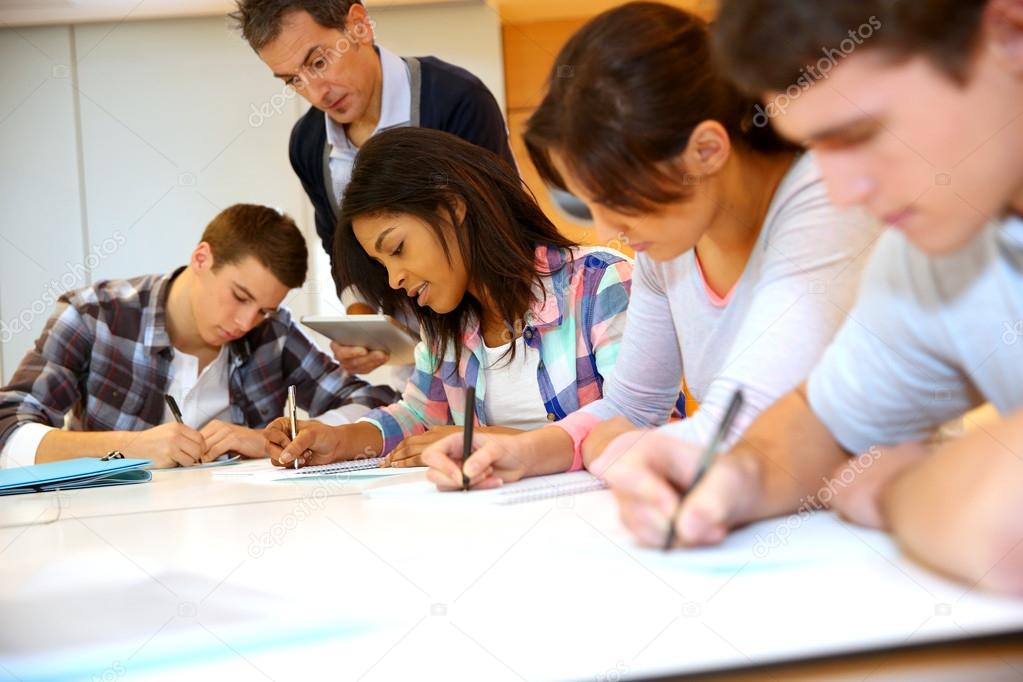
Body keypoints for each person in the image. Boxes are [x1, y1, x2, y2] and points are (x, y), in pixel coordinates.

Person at [602, 0, 1023, 594]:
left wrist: (892, 488)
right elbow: (824, 423)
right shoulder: (939, 246)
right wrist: (739, 473)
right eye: (815, 148)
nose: (843, 192)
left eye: (861, 133)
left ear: (1009, 34)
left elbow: (1007, 530)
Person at [420, 2, 880, 491]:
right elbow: (631, 406)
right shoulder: (672, 248)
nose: (604, 231)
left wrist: (611, 447)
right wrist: (523, 451)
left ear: (705, 150)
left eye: (618, 199)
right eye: (590, 205)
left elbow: (745, 417)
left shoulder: (824, 198)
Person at [263, 128, 632, 469]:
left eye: (398, 248)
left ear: (453, 207)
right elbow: (421, 418)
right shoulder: (445, 326)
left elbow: (637, 424)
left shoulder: (600, 283)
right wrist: (340, 439)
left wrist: (480, 442)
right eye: (381, 264)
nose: (394, 280)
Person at [231, 0, 516, 377]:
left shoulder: (455, 98)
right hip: (416, 361)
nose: (316, 92)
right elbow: (338, 245)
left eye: (318, 62)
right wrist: (362, 325)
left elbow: (500, 222)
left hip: (498, 334)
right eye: (292, 80)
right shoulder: (308, 143)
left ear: (359, 26)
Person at [0, 204, 397, 469]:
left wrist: (272, 440)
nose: (245, 322)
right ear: (201, 258)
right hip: (111, 535)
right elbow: (8, 430)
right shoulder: (93, 315)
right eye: (239, 296)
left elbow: (374, 403)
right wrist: (127, 450)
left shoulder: (271, 333)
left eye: (263, 309)